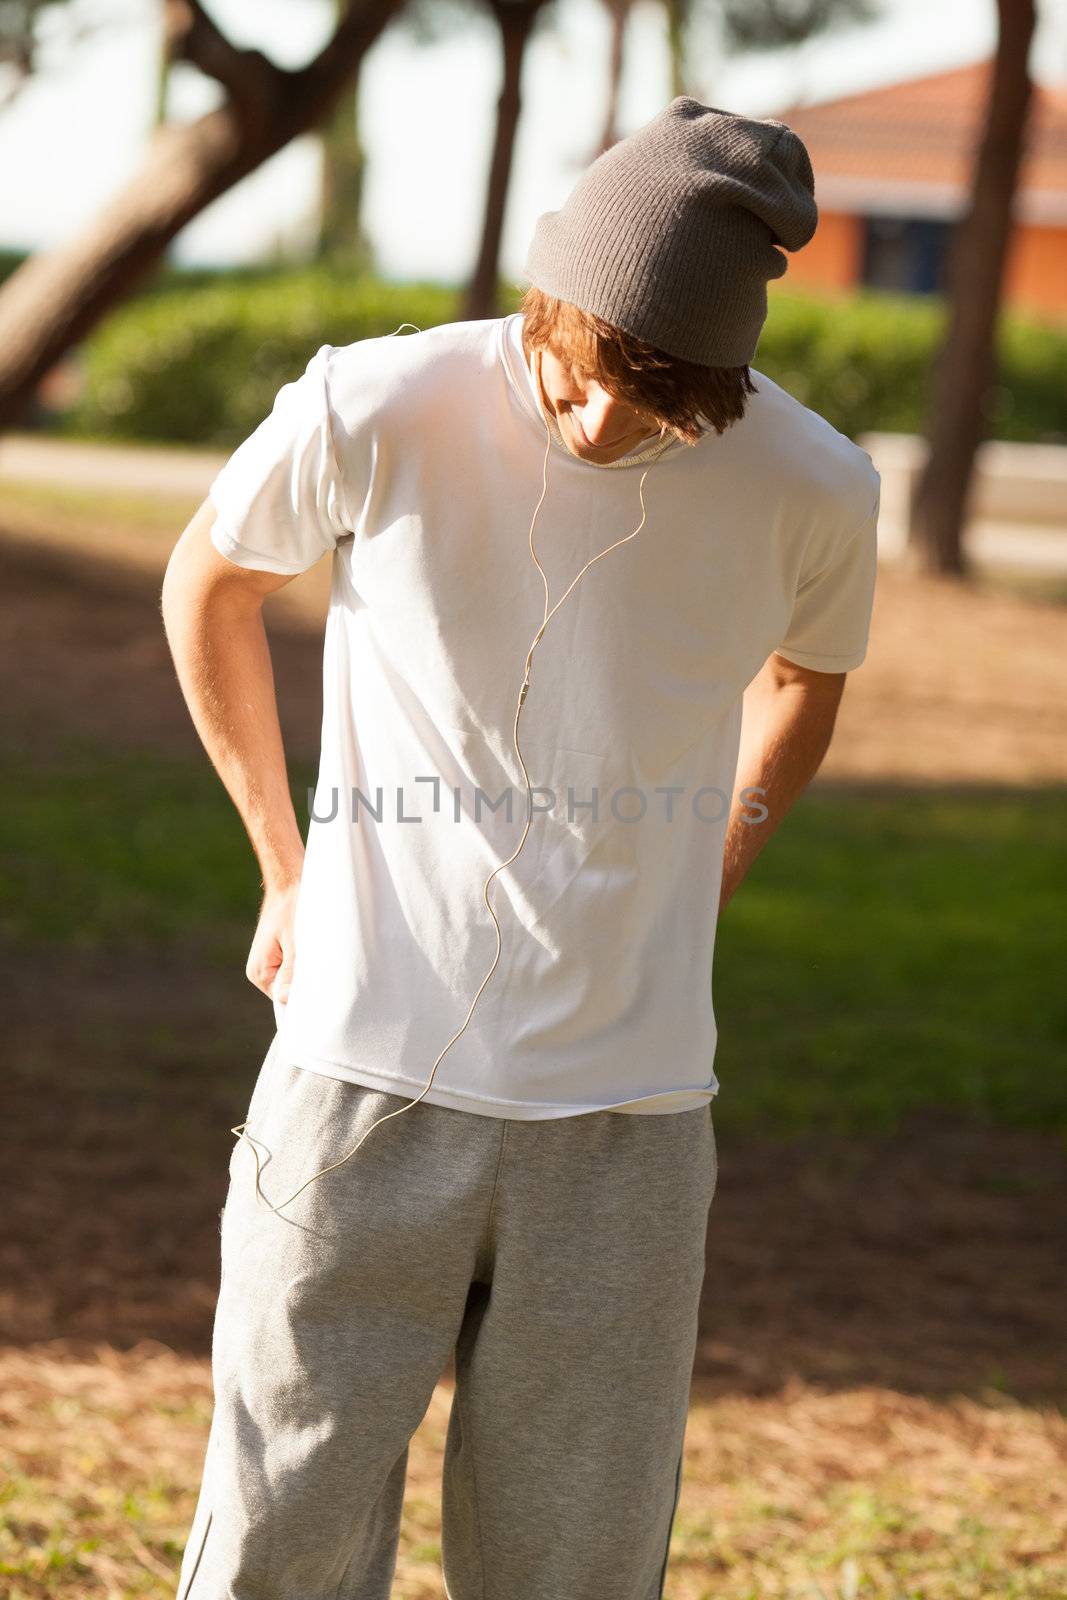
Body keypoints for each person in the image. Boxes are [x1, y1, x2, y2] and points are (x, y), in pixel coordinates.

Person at [162, 96, 880, 1600]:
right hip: (360, 1088)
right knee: (274, 1552)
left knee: (575, 1569)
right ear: (549, 297)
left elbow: (807, 686)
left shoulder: (814, 486)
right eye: (588, 372)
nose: (610, 422)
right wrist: (286, 868)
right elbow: (211, 584)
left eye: (667, 397)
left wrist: (726, 845)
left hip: (627, 1129)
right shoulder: (381, 402)